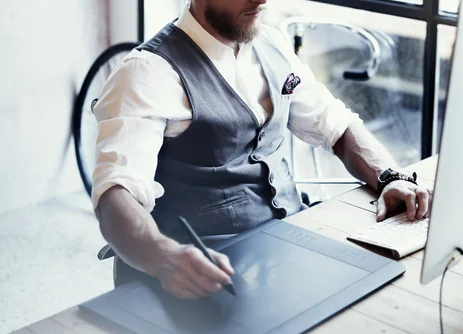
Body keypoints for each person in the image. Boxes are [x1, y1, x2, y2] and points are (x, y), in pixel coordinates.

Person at [93, 0, 433, 300]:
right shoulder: (146, 73)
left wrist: (390, 176)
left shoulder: (271, 42)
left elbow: (335, 125)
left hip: (289, 242)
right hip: (209, 271)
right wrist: (165, 257)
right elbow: (115, 194)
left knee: (388, 289)